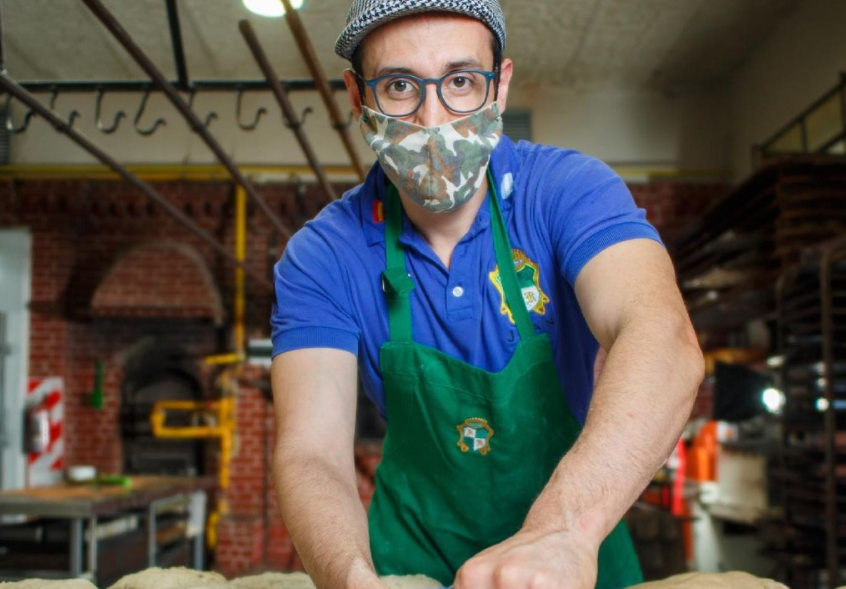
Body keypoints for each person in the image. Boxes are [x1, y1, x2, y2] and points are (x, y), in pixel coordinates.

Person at [269, 1, 704, 588]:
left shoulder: (566, 192)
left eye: (461, 81)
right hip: (405, 562)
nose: (431, 118)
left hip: (571, 550)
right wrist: (351, 578)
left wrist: (562, 532)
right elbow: (311, 454)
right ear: (358, 95)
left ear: (499, 86)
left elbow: (660, 336)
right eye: (399, 85)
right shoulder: (322, 256)